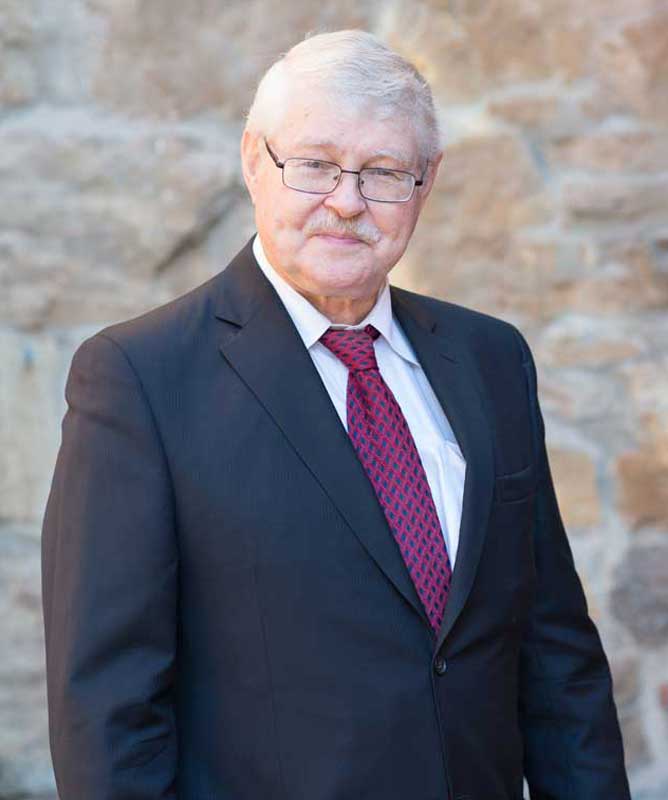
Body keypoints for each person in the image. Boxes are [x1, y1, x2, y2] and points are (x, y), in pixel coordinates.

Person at [41, 29, 631, 800]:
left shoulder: (490, 359)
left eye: (384, 172)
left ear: (427, 182)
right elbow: (107, 712)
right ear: (254, 160)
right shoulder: (139, 378)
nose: (347, 202)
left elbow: (555, 656)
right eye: (315, 165)